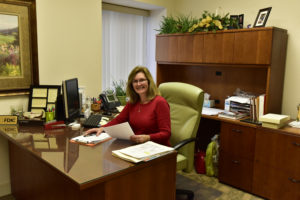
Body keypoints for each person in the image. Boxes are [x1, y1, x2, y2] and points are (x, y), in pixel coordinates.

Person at [85, 66, 171, 146]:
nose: (138, 84)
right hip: (138, 146)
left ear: (149, 82)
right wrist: (103, 128)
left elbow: (166, 134)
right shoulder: (133, 102)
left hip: (157, 148)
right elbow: (119, 120)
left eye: (142, 80)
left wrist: (148, 137)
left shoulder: (160, 102)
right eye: (135, 81)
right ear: (131, 84)